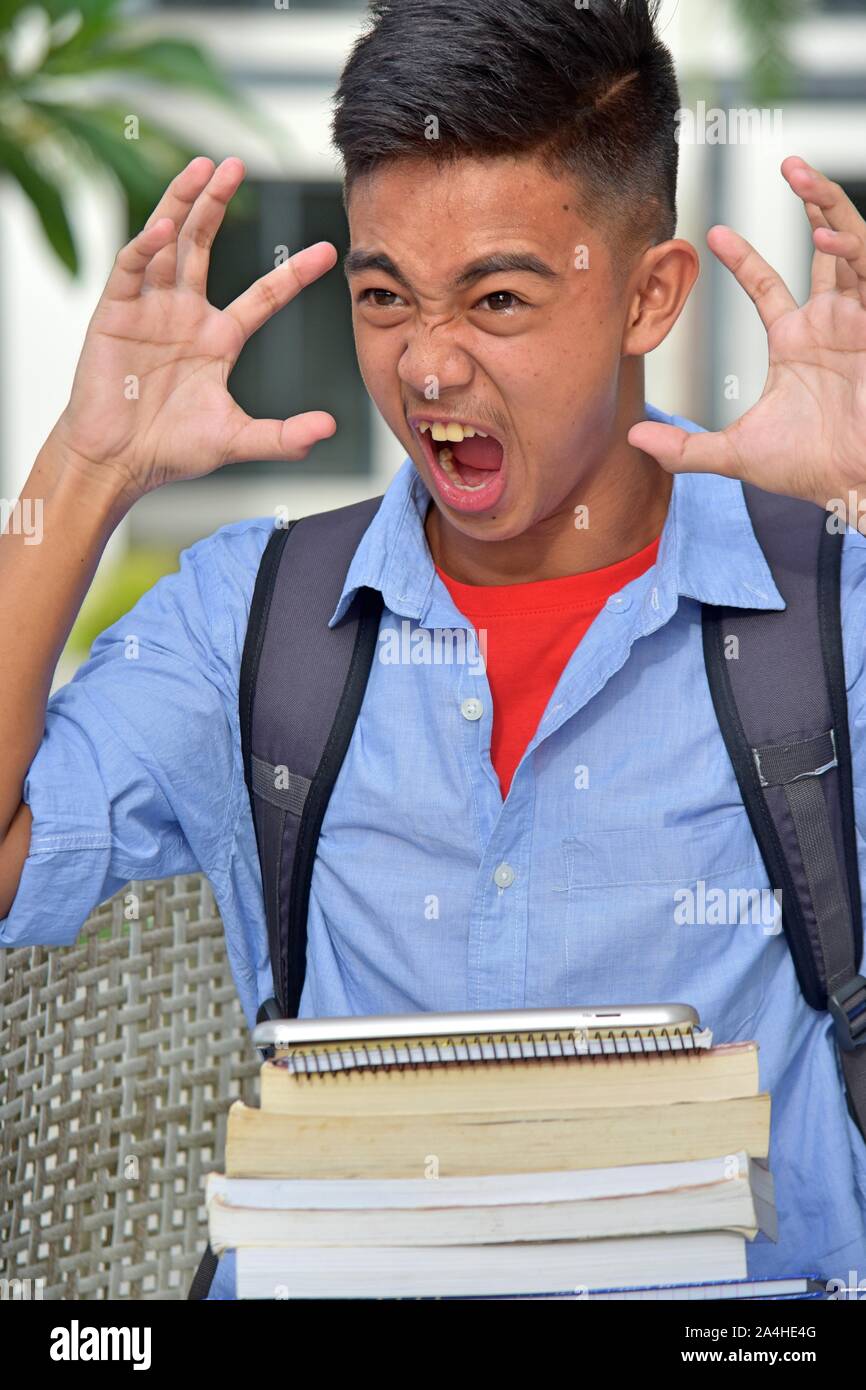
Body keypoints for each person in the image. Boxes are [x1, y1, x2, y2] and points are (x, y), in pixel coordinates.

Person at [2, 0, 866, 1300]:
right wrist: (85, 470)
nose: (426, 365)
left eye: (496, 298)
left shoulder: (826, 600)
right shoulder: (256, 612)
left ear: (647, 296)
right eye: (381, 295)